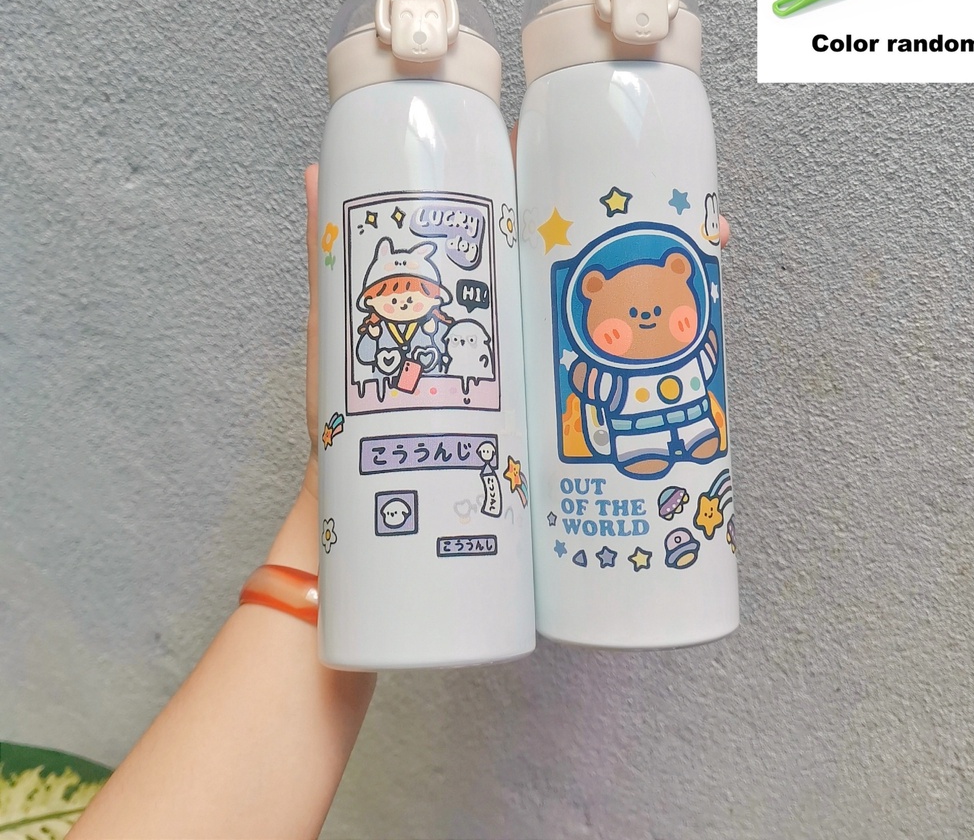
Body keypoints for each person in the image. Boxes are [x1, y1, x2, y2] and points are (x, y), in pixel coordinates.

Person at [70, 158, 730, 840]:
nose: (405, 299)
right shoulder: (381, 334)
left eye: (413, 289)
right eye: (392, 291)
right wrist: (332, 491)